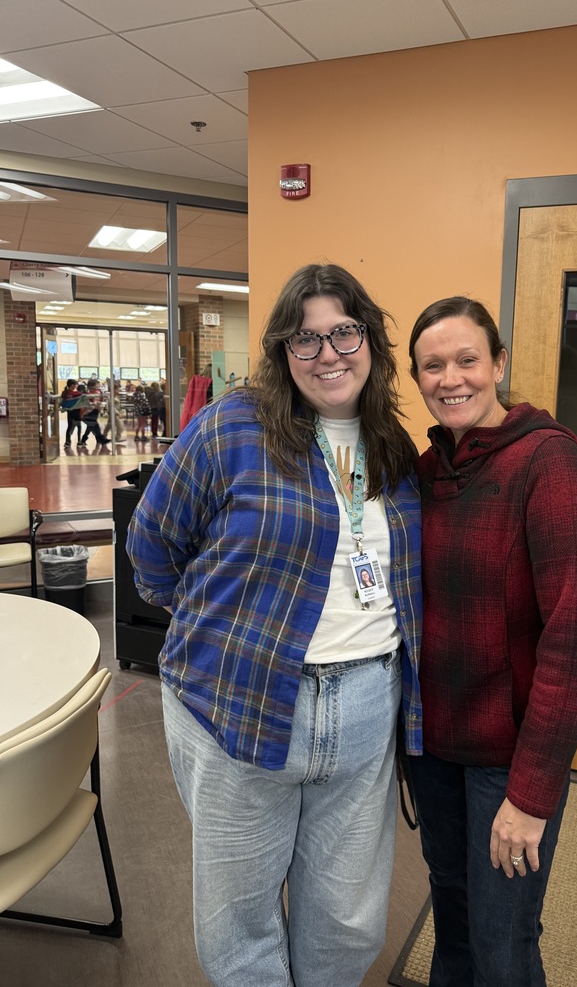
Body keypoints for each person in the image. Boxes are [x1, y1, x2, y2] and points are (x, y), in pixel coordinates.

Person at [126, 263, 423, 987]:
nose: (328, 354)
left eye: (344, 332)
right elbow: (152, 543)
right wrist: (212, 623)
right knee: (241, 922)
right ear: (282, 353)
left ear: (372, 342)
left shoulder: (393, 447)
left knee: (350, 921)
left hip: (363, 709)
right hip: (239, 701)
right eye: (305, 339)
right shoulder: (232, 426)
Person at [407, 296, 577, 987]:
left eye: (467, 359)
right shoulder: (428, 473)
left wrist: (531, 794)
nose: (451, 377)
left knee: (502, 939)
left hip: (508, 764)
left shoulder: (548, 463)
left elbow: (575, 638)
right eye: (433, 365)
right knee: (453, 921)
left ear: (498, 363)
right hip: (434, 752)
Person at [79, 378, 110, 448]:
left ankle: (86, 440)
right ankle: (101, 439)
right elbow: (92, 404)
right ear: (92, 386)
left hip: (94, 412)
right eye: (97, 384)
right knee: (94, 426)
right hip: (89, 413)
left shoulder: (97, 392)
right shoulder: (90, 394)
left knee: (91, 426)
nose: (99, 385)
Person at [60, 378, 83, 447]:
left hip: (72, 412)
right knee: (77, 426)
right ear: (72, 385)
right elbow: (80, 394)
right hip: (74, 412)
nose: (75, 386)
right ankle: (77, 441)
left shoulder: (65, 392)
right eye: (74, 385)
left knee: (71, 426)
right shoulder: (72, 393)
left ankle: (68, 441)